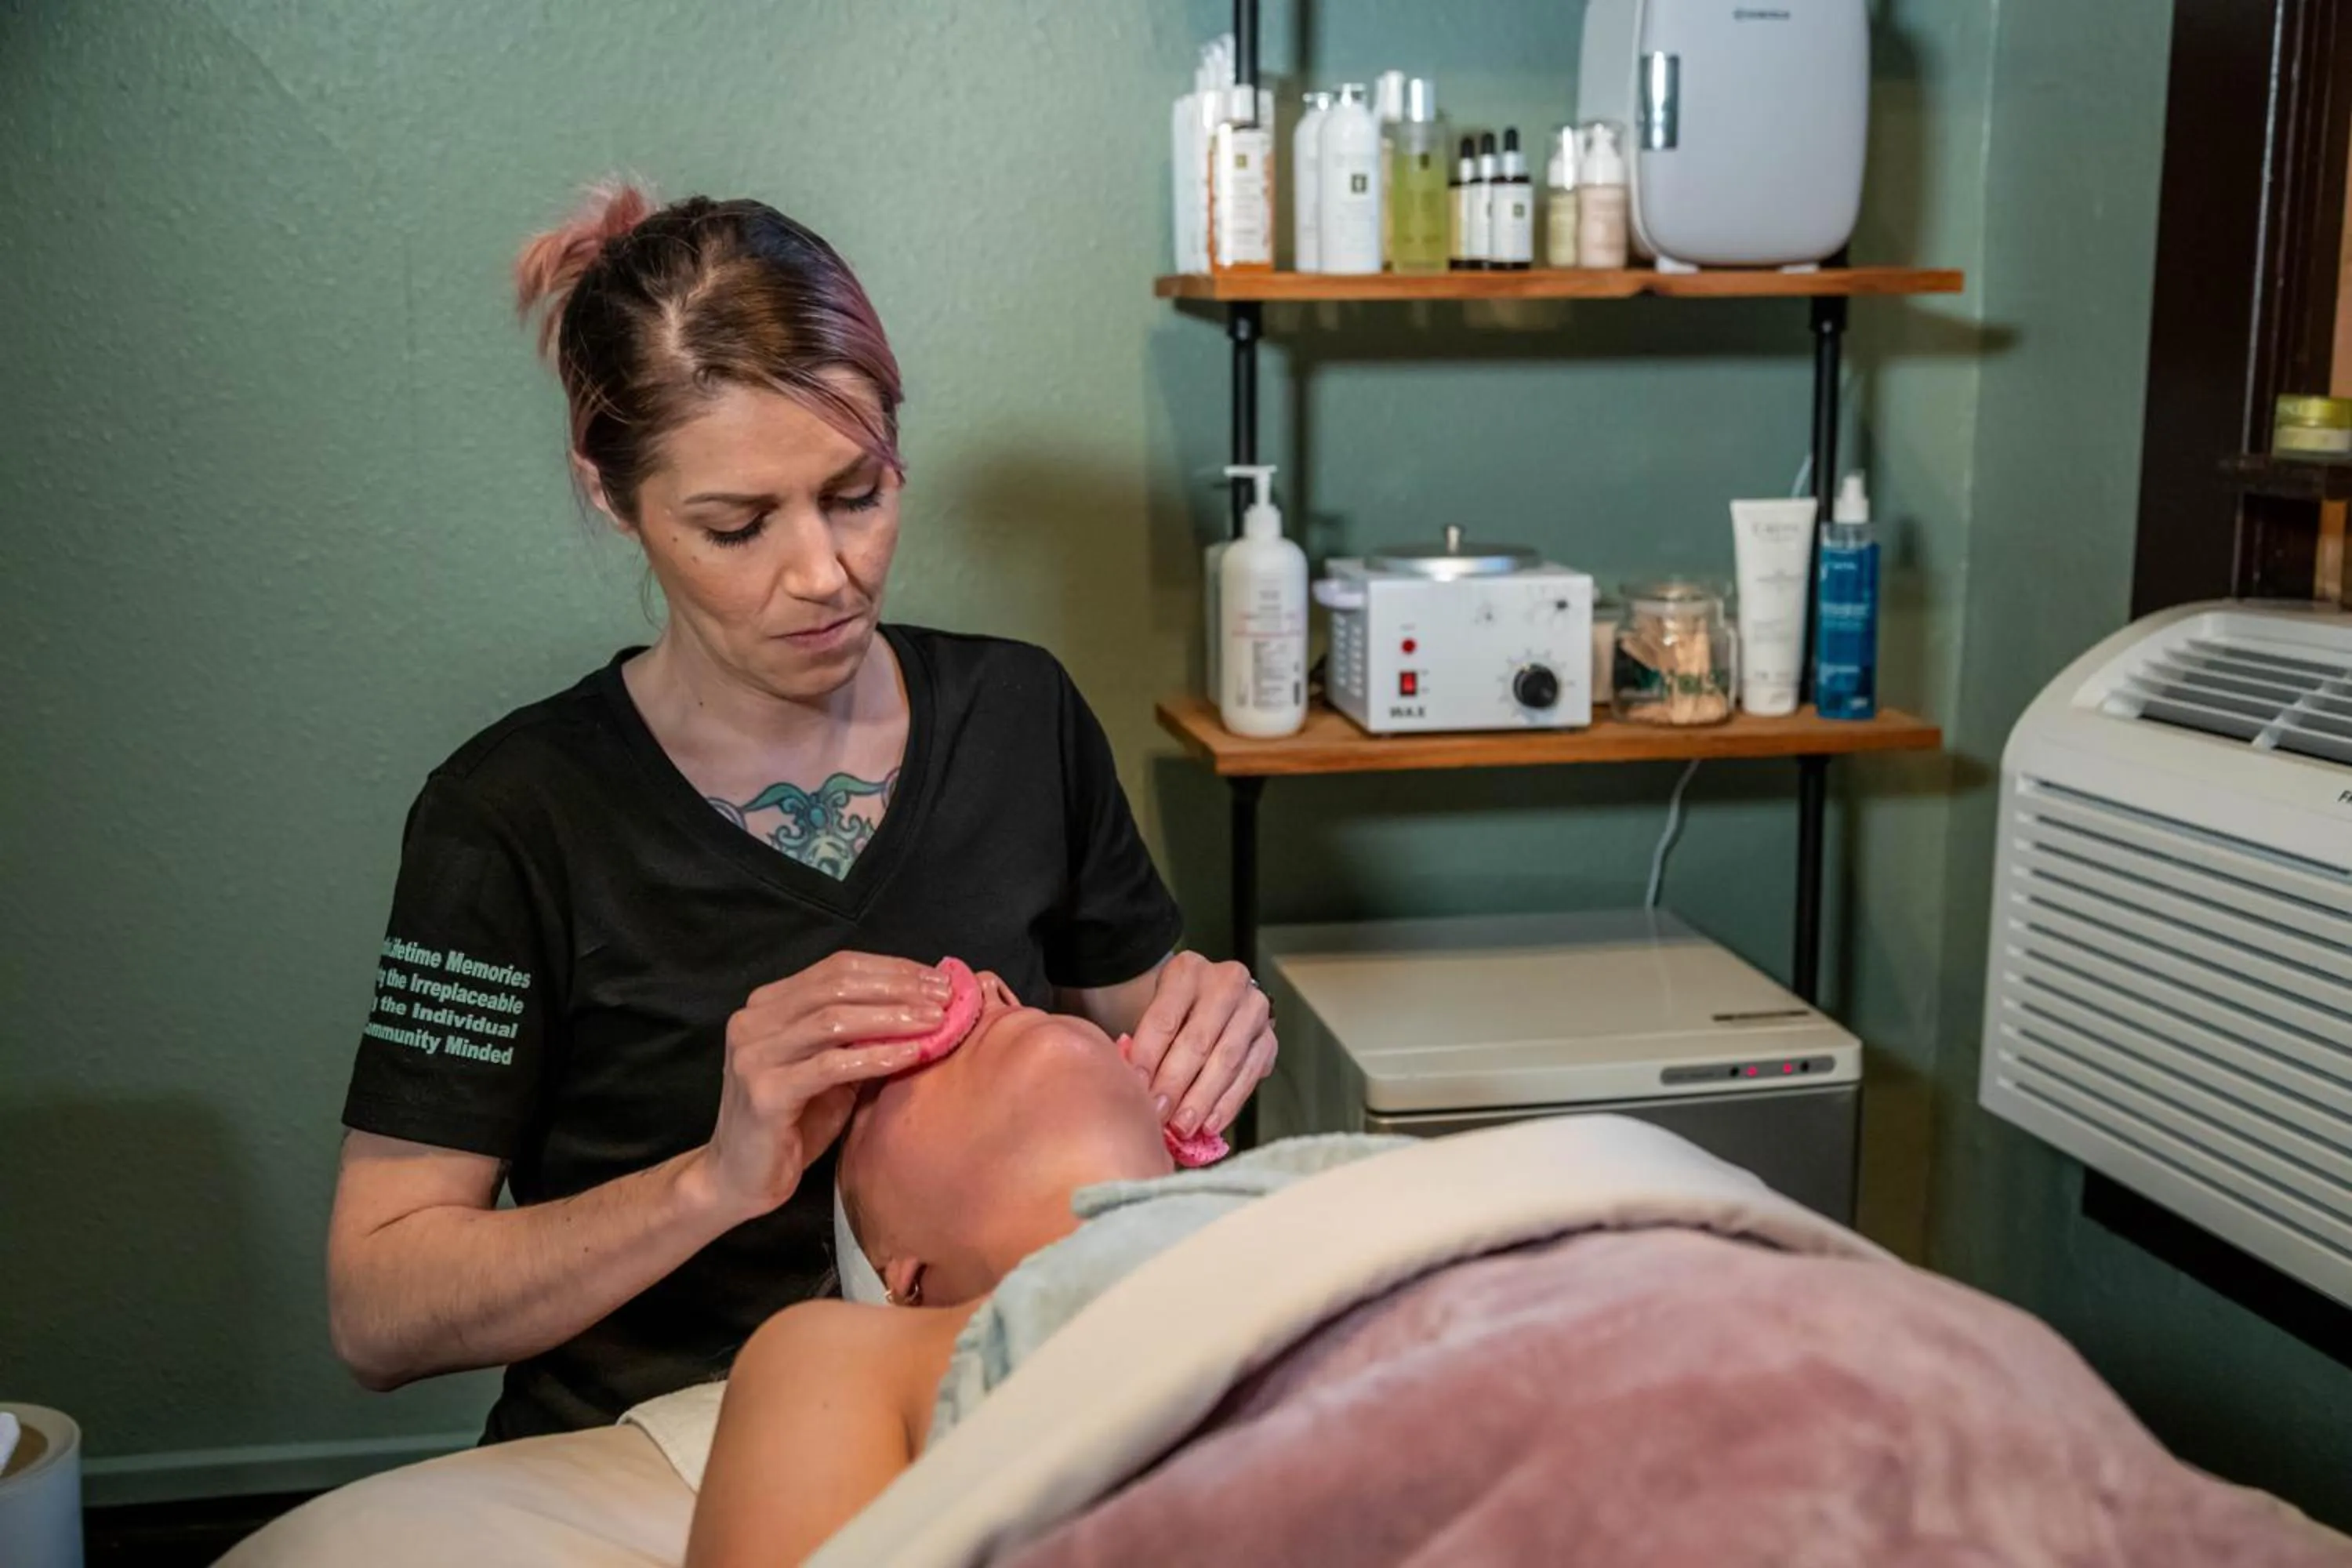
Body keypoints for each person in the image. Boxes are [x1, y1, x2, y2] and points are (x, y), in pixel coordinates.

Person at [325, 181, 1276, 1443]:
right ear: (613, 499)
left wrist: (1207, 1037)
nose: (825, 575)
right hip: (654, 1444)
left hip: (987, 1421)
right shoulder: (510, 819)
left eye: (857, 492)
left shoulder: (1018, 716)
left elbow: (1138, 1081)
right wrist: (711, 1183)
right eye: (737, 524)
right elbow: (377, 1310)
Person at [686, 971, 1188, 1568]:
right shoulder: (831, 1360)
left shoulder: (1298, 1200)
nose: (987, 988)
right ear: (902, 1275)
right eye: (879, 1089)